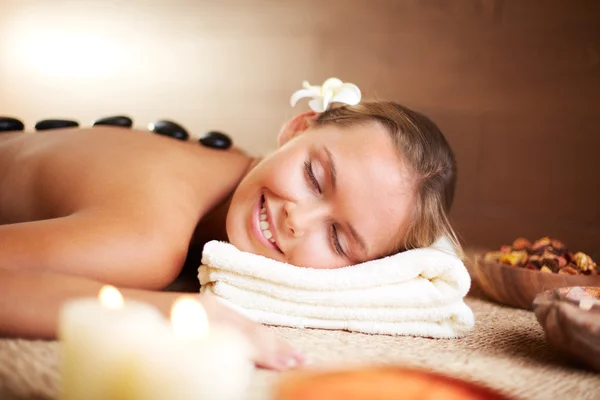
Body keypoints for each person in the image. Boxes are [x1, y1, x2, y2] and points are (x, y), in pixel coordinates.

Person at [0, 101, 458, 370]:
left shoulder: (228, 167)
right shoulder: (149, 240)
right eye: (315, 177)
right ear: (297, 127)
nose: (298, 219)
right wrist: (181, 311)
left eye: (338, 240)